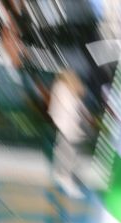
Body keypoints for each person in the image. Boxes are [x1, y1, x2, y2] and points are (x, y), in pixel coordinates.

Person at [48, 69, 88, 199]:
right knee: (68, 153)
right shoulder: (63, 87)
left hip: (67, 125)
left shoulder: (65, 88)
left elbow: (74, 107)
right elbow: (68, 108)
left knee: (67, 151)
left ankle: (62, 176)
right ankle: (64, 178)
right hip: (67, 124)